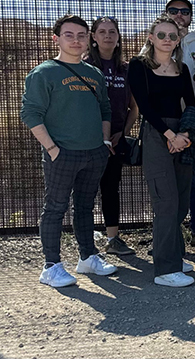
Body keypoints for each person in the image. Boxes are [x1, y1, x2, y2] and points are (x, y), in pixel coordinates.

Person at [21, 14, 118, 288]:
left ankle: (88, 257)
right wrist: (52, 149)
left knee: (85, 207)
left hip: (94, 152)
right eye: (69, 35)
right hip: (62, 153)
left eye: (81, 35)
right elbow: (30, 114)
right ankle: (51, 266)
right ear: (56, 39)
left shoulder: (94, 73)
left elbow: (105, 109)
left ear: (88, 39)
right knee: (55, 208)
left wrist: (105, 142)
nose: (76, 40)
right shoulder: (44, 73)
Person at [128, 14, 195, 287]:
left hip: (182, 134)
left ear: (178, 40)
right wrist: (170, 135)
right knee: (165, 201)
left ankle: (175, 256)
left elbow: (190, 104)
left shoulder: (182, 68)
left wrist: (186, 135)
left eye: (172, 36)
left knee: (180, 200)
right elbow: (144, 106)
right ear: (150, 37)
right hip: (157, 134)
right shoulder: (139, 65)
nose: (167, 40)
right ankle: (165, 270)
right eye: (161, 35)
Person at [85, 16, 139, 256]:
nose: (107, 36)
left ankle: (113, 239)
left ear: (118, 38)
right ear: (93, 37)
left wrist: (122, 133)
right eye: (102, 32)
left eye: (112, 32)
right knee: (85, 190)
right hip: (87, 140)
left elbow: (134, 107)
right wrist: (99, 136)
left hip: (115, 141)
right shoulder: (84, 66)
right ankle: (85, 243)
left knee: (110, 188)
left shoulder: (126, 69)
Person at [164, 0, 195, 249]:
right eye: (173, 11)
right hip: (163, 124)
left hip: (193, 124)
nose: (179, 15)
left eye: (184, 12)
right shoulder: (156, 44)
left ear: (191, 17)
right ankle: (168, 233)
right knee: (165, 180)